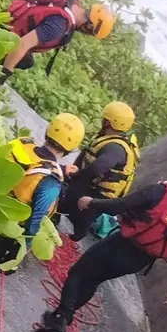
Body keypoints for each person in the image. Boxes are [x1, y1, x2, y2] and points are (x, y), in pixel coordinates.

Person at [37, 149, 167, 332]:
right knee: (94, 279)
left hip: (121, 245)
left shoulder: (160, 191)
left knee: (78, 272)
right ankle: (59, 318)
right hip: (140, 261)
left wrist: (90, 202)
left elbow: (118, 206)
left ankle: (61, 316)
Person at [0, 112, 85, 297]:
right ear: (72, 148)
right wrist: (19, 252)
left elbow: (25, 166)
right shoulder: (51, 181)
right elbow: (35, 218)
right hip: (1, 232)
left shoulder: (22, 143)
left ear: (48, 131)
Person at [0, 0, 114, 81]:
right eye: (90, 33)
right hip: (4, 34)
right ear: (89, 26)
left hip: (5, 15)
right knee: (26, 61)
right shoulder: (59, 26)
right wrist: (3, 74)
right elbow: (22, 44)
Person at [60, 101, 141, 240]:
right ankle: (76, 226)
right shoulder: (114, 140)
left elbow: (97, 168)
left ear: (108, 122)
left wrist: (76, 176)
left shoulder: (116, 147)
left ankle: (75, 231)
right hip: (96, 190)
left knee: (66, 191)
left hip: (99, 196)